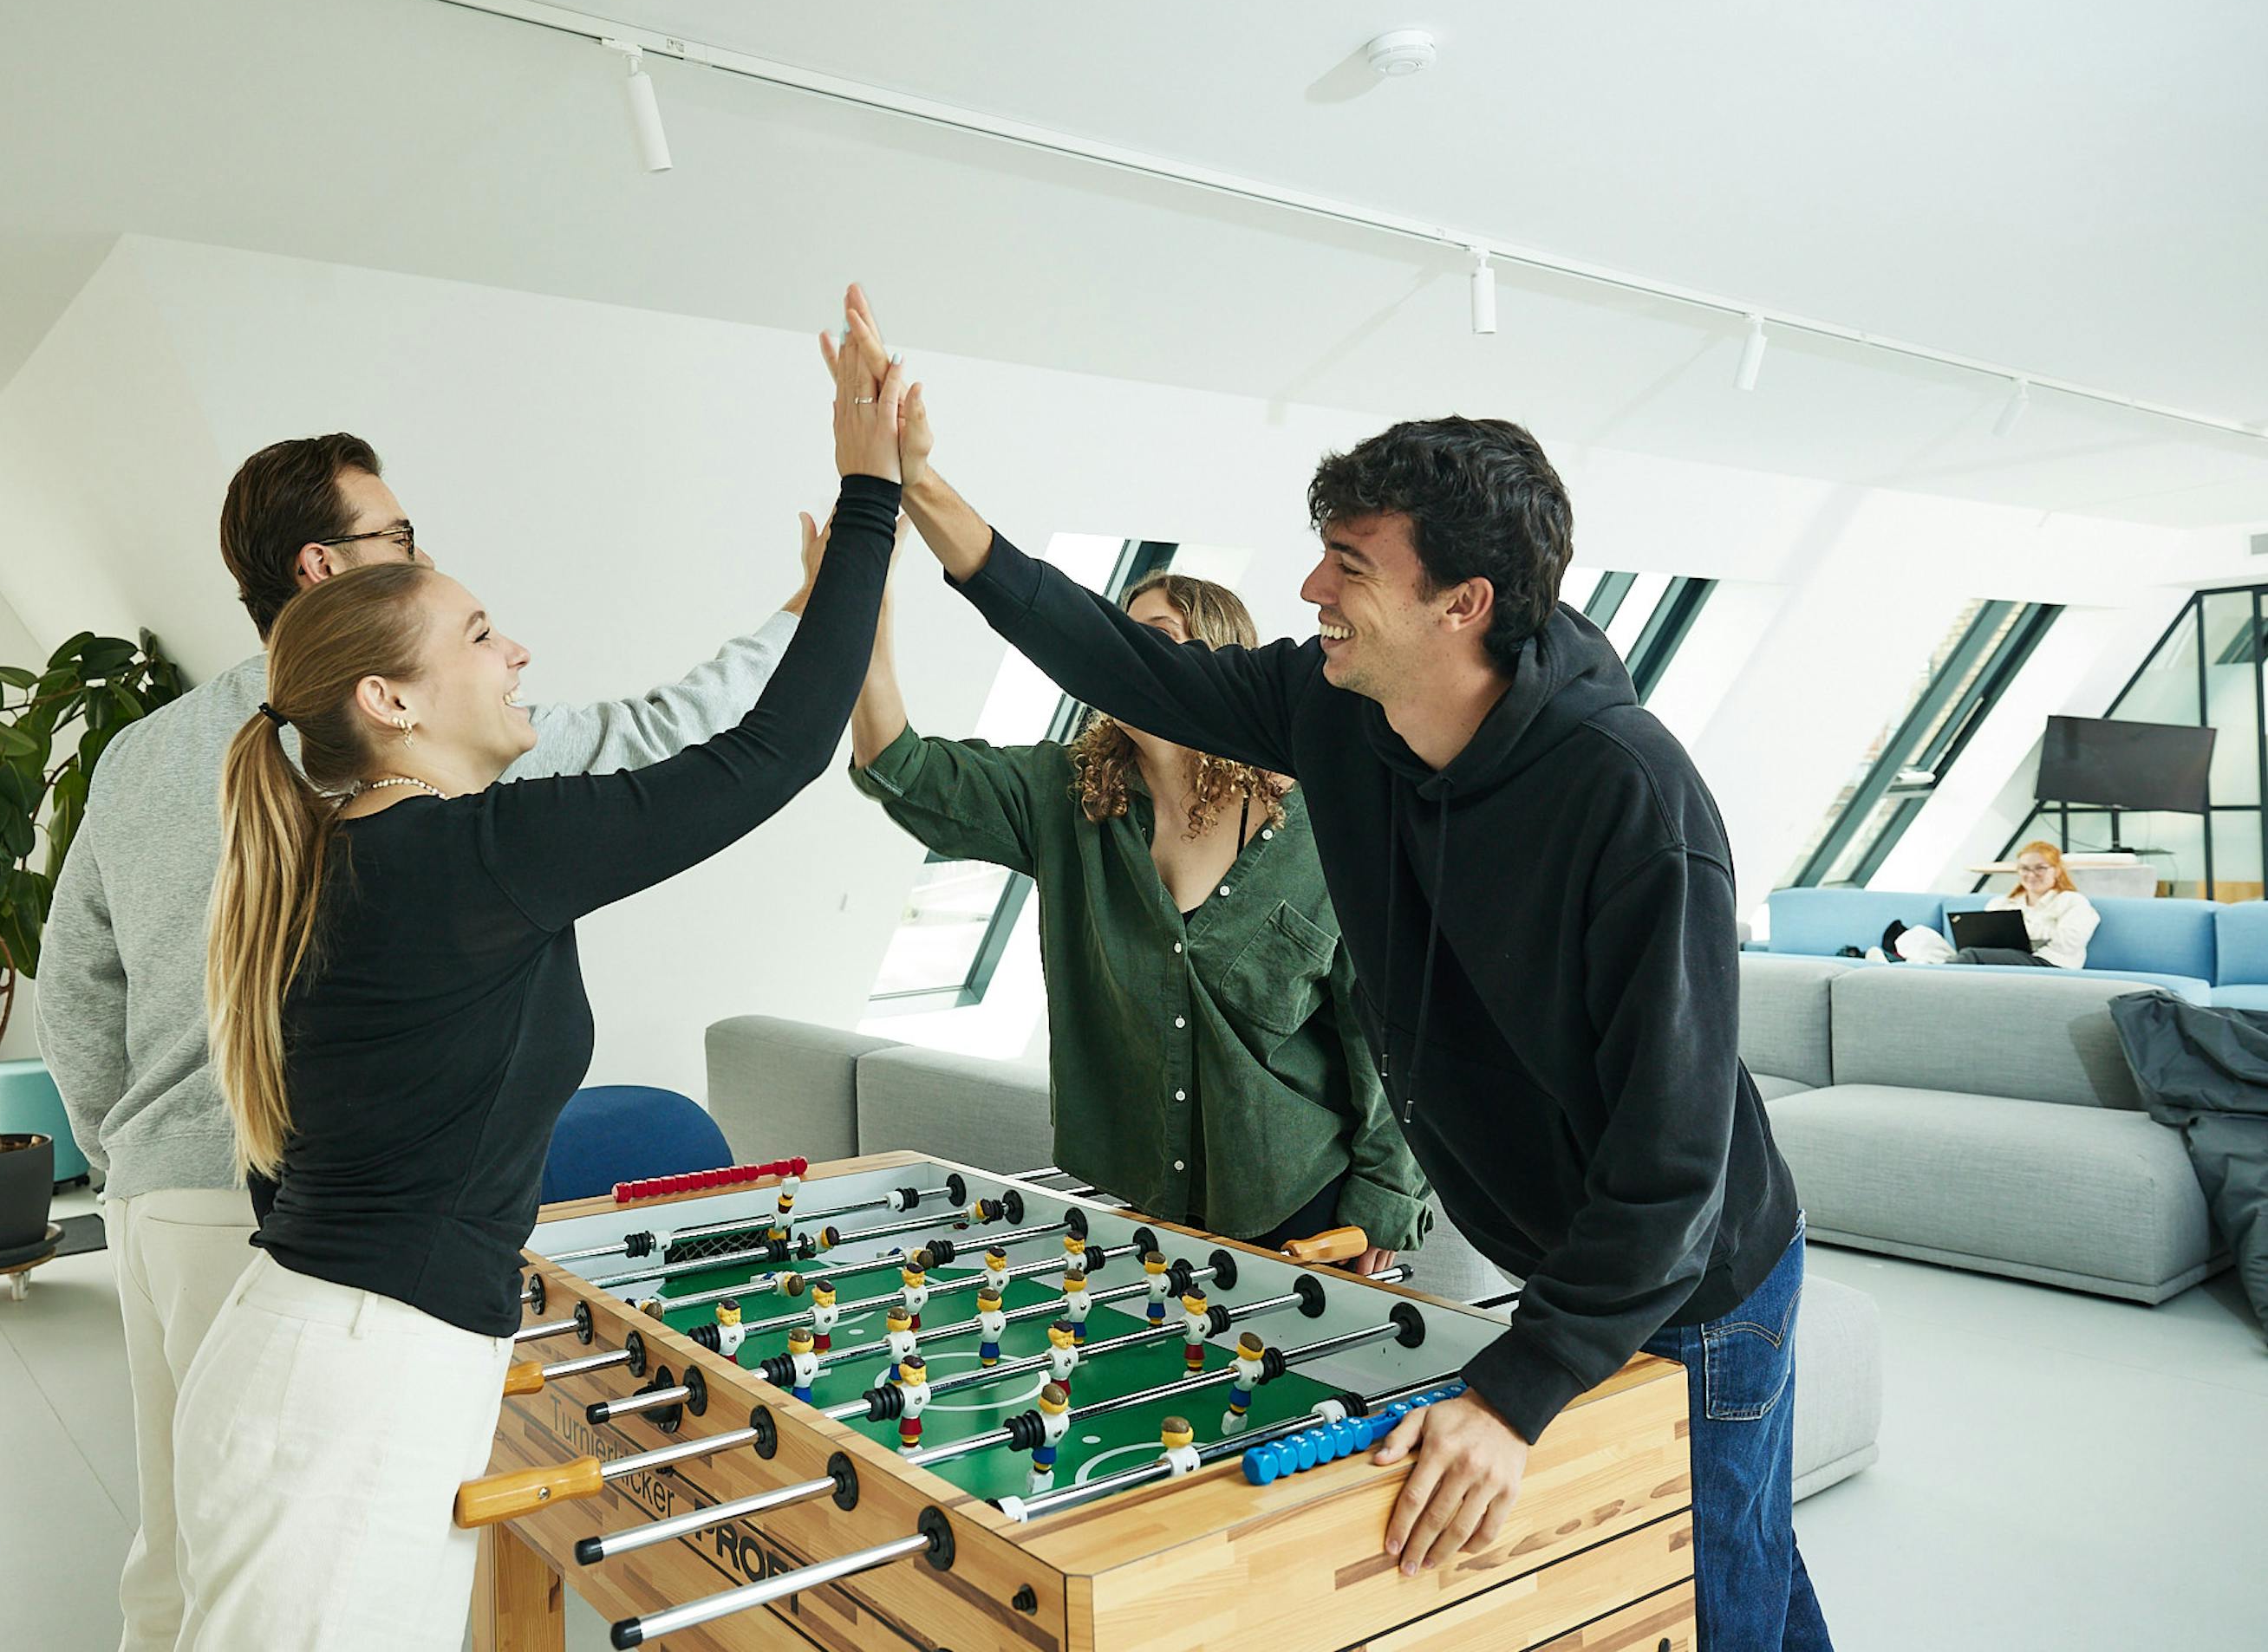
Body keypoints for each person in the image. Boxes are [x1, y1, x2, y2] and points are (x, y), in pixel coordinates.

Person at [831, 284, 1826, 1650]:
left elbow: (1674, 1161)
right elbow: (1109, 650)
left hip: (1701, 1274)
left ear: (1462, 603)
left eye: (1349, 565)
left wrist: (1516, 1389)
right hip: (1566, 1248)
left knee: (1717, 1592)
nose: (1310, 592)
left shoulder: (1632, 802)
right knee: (1744, 1567)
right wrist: (918, 484)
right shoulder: (1334, 709)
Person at [170, 341, 907, 1647]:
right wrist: (869, 497)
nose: (518, 651)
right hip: (351, 1379)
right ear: (391, 700)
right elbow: (777, 753)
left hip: (328, 1353)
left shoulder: (356, 856)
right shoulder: (467, 856)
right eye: (478, 634)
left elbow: (284, 1176)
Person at [847, 555, 1428, 1268]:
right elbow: (900, 768)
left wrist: (1384, 1207)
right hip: (1147, 1213)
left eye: (1152, 632)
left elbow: (1389, 1044)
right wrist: (860, 601)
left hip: (1304, 1209)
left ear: (1216, 663)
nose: (1118, 652)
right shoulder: (1065, 799)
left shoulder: (1322, 827)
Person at [1865, 841, 2100, 966]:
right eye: (2025, 869)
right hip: (2004, 955)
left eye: (2040, 868)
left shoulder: (2072, 901)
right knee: (1921, 937)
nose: (2032, 874)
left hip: (2050, 962)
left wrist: (2024, 931)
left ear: (2057, 870)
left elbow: (2070, 942)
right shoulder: (2004, 902)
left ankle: (1914, 972)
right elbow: (1986, 936)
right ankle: (1905, 963)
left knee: (1970, 955)